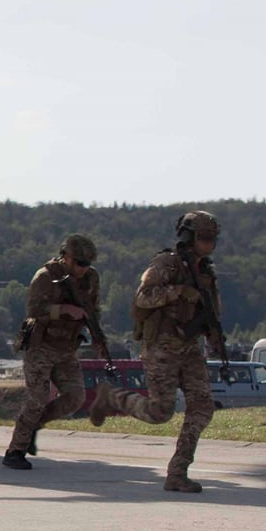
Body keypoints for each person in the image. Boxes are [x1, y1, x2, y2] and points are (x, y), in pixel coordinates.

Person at [89, 210, 224, 492]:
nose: (210, 244)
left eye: (213, 239)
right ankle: (112, 398)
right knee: (160, 412)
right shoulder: (167, 263)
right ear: (189, 237)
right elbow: (142, 297)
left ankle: (178, 471)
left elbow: (211, 311)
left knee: (203, 407)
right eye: (204, 238)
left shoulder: (205, 272)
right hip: (161, 347)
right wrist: (177, 292)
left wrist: (214, 336)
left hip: (189, 348)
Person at [3, 233, 104, 470]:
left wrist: (98, 336)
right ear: (66, 257)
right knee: (37, 399)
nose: (84, 268)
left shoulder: (90, 278)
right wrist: (64, 310)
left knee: (75, 397)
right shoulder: (45, 277)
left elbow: (93, 309)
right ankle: (15, 450)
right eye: (79, 263)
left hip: (67, 347)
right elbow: (34, 310)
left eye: (87, 264)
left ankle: (34, 425)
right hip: (41, 345)